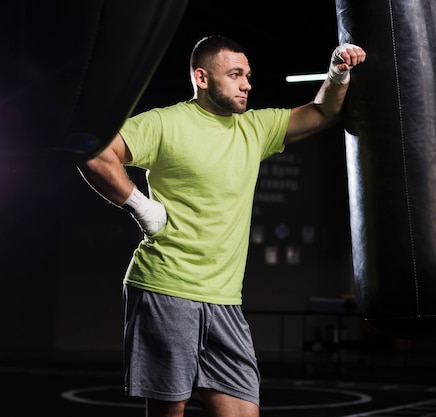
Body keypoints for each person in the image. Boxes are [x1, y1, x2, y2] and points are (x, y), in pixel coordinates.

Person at [78, 35, 366, 417]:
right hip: (167, 287)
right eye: (234, 75)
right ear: (202, 77)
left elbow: (321, 112)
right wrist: (140, 206)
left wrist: (337, 72)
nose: (247, 84)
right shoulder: (167, 123)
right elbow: (94, 152)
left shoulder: (255, 129)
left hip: (226, 299)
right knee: (168, 412)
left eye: (247, 75)